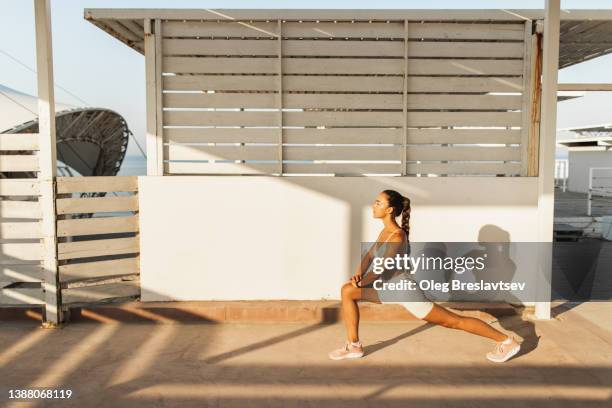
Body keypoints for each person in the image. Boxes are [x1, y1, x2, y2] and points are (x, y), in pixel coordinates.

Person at [328, 189, 521, 363]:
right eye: (375, 201)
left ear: (390, 209)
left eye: (379, 202)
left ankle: (506, 341)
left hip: (404, 291)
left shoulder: (397, 235)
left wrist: (362, 282)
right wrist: (357, 276)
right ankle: (354, 345)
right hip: (388, 287)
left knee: (453, 321)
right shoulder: (385, 231)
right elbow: (370, 255)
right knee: (348, 291)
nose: (374, 205)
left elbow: (382, 269)